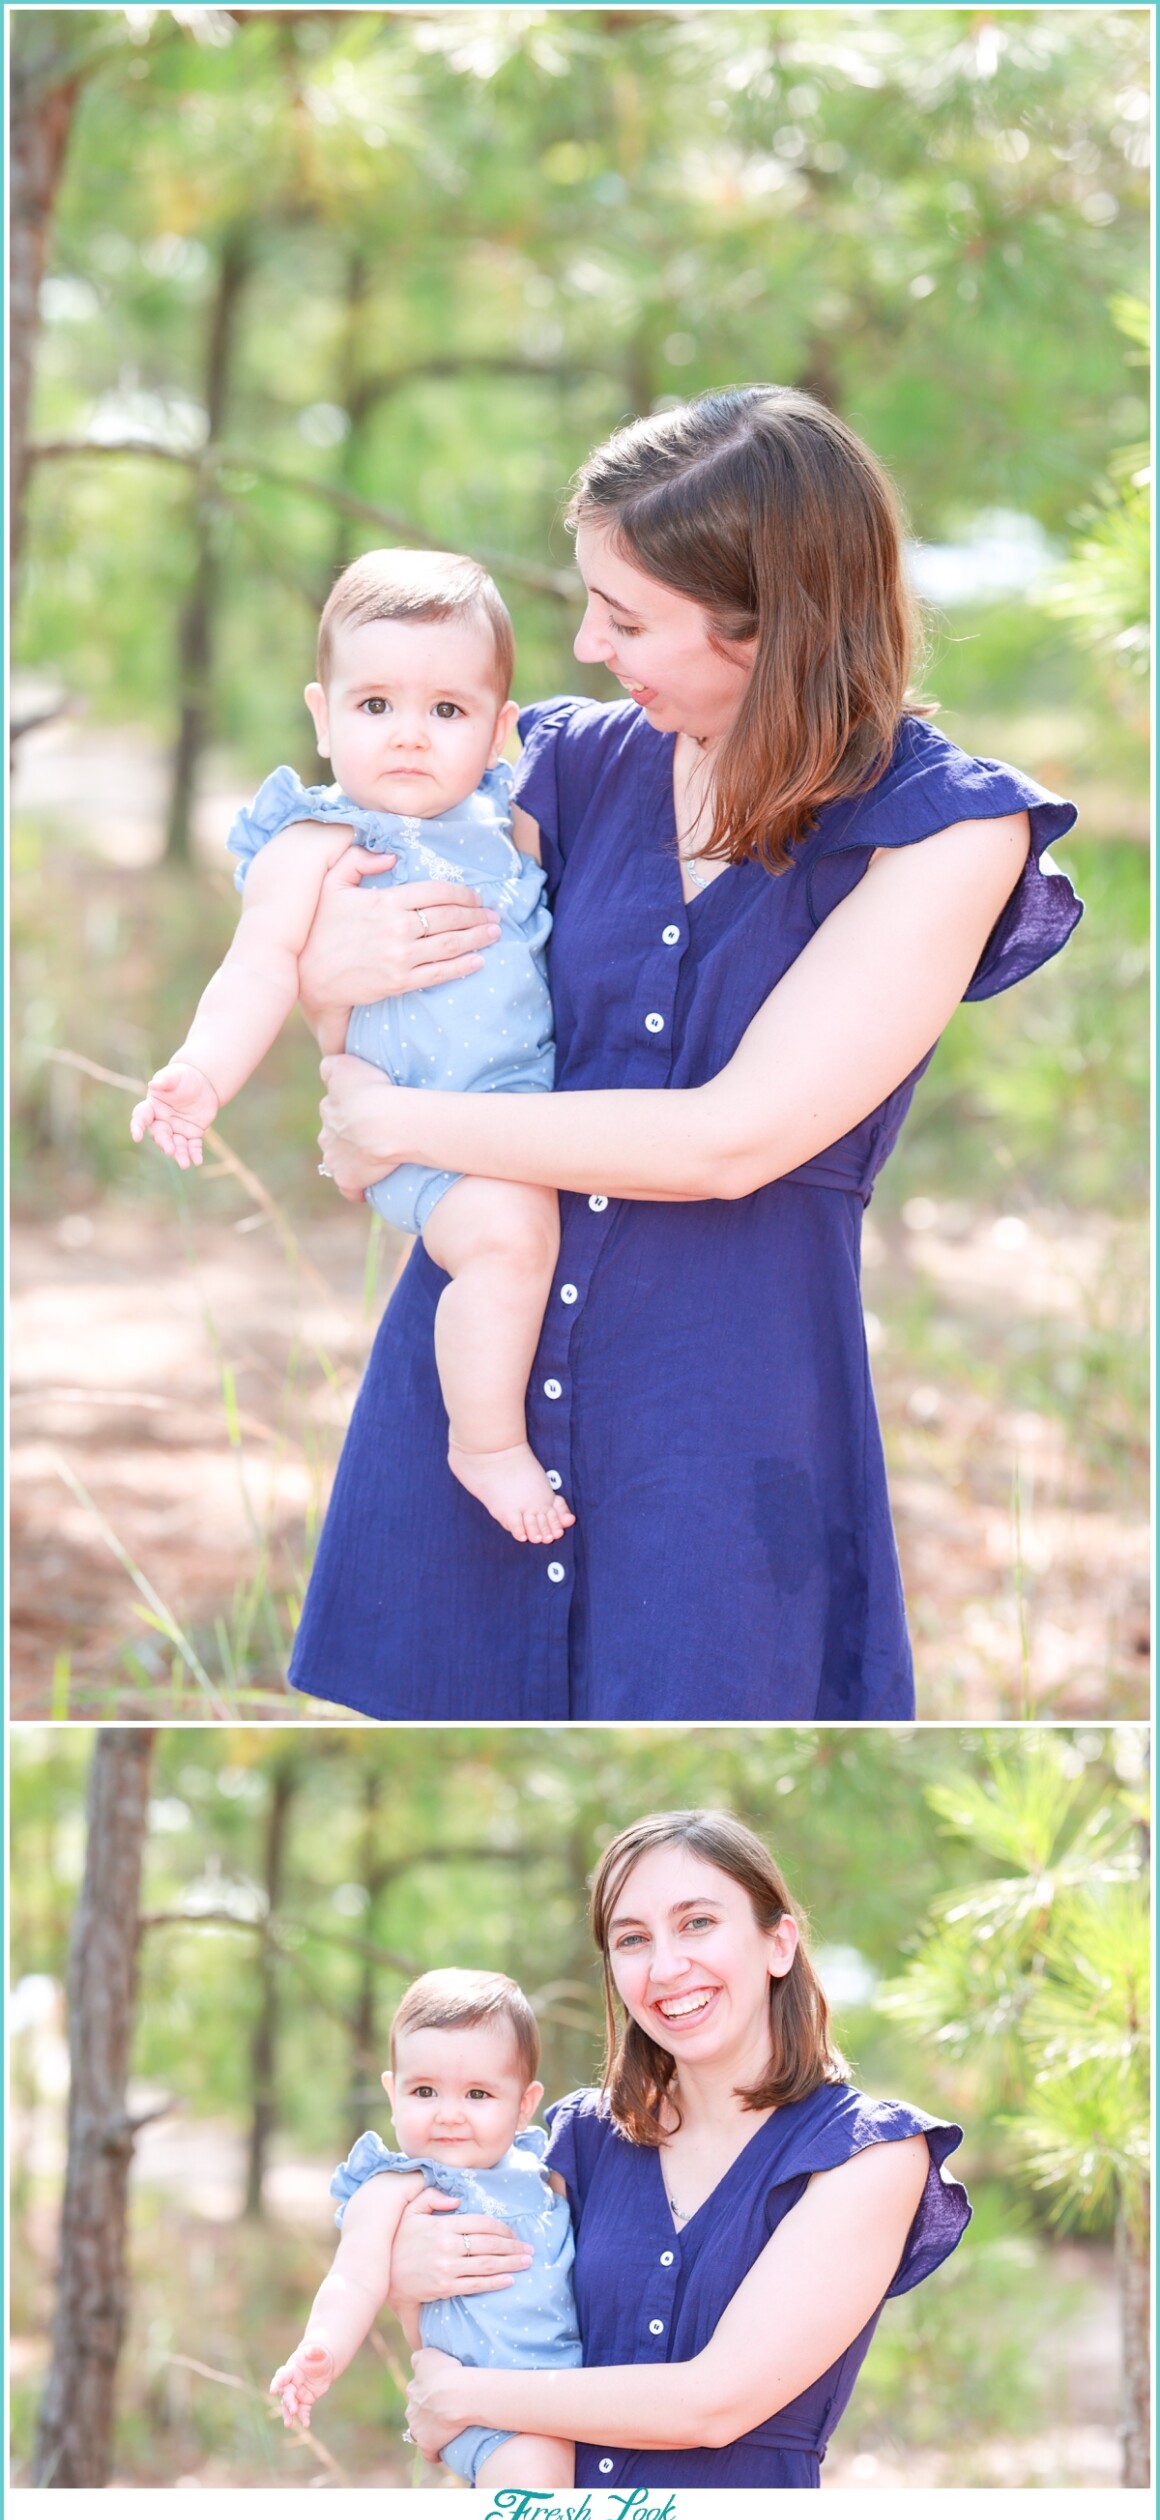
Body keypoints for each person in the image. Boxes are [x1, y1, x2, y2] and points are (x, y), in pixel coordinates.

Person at [292, 385, 1081, 1718]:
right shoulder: (548, 766)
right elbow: (388, 1010)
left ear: (772, 620)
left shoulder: (944, 831)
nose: (590, 646)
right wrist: (326, 983)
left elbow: (733, 1140)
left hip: (724, 1415)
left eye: (630, 614)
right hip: (476, 1352)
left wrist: (405, 1124)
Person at [130, 550, 573, 1546]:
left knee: (529, 1231)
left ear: (500, 728)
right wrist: (199, 1074)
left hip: (520, 1112)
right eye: (374, 705)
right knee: (510, 1244)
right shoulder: (317, 841)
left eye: (447, 711)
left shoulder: (504, 829)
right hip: (420, 1132)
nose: (409, 735)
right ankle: (486, 1442)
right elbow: (258, 968)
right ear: (324, 716)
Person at [398, 1809, 971, 2489]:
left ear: (778, 1943)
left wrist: (464, 2397)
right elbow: (484, 2323)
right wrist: (406, 2267)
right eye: (633, 1938)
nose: (667, 1967)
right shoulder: (573, 2140)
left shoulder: (867, 2156)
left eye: (698, 1923)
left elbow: (716, 2403)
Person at [269, 1967, 581, 2489]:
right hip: (485, 2414)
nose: (450, 2115)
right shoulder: (397, 2185)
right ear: (393, 2094)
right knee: (538, 2501)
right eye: (425, 2091)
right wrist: (321, 2349)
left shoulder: (538, 2170)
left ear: (524, 2104)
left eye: (478, 2095)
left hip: (575, 2395)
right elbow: (354, 2277)